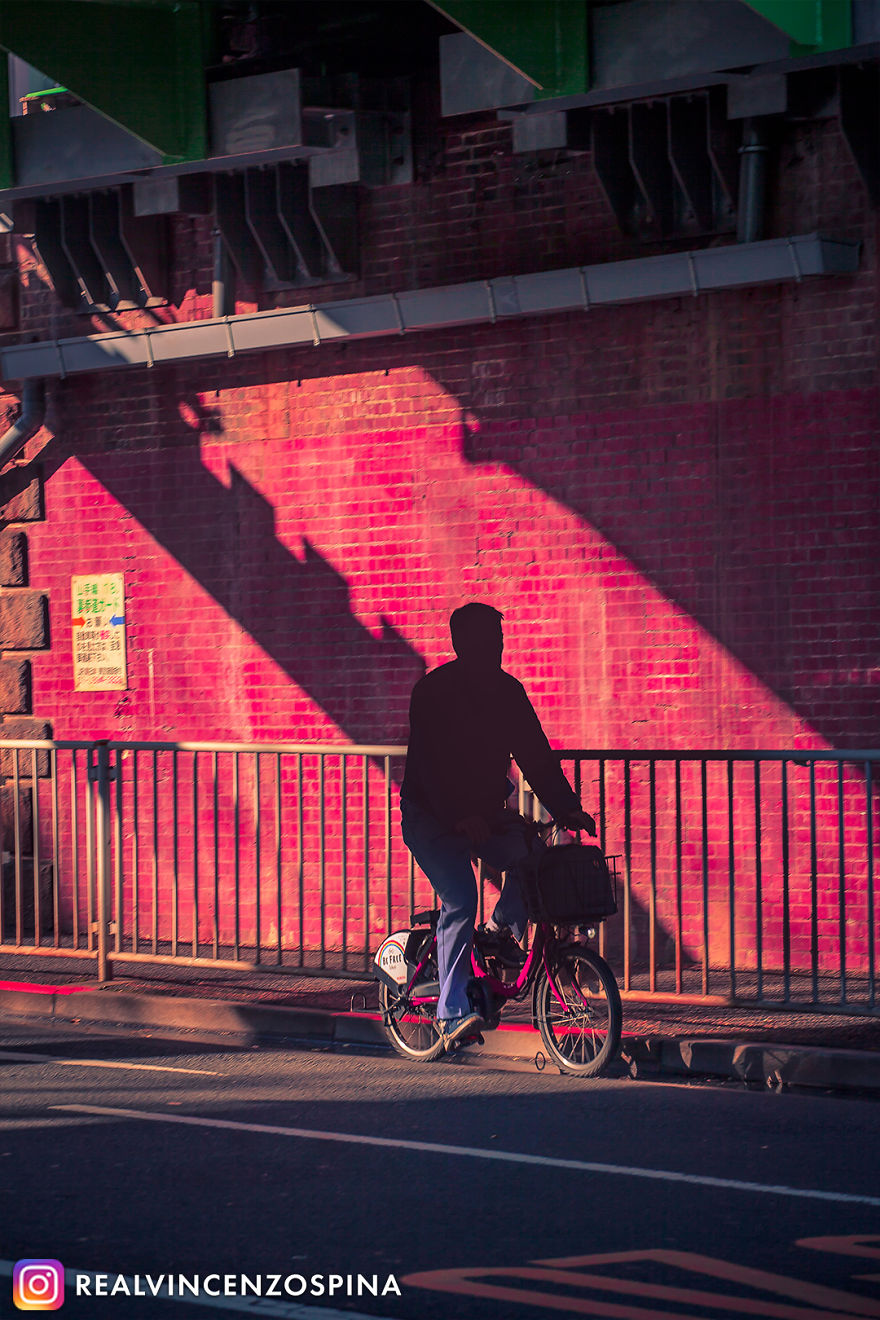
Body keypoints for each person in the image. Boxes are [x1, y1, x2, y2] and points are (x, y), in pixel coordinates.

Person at [400, 602, 596, 1049]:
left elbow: (536, 756)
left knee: (535, 856)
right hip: (431, 816)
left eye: (499, 641)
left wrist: (567, 808)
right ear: (460, 645)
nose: (496, 650)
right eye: (486, 642)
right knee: (461, 897)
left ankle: (500, 931)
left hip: (483, 813)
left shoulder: (509, 693)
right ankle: (450, 1012)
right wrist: (458, 816)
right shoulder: (432, 692)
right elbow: (429, 768)